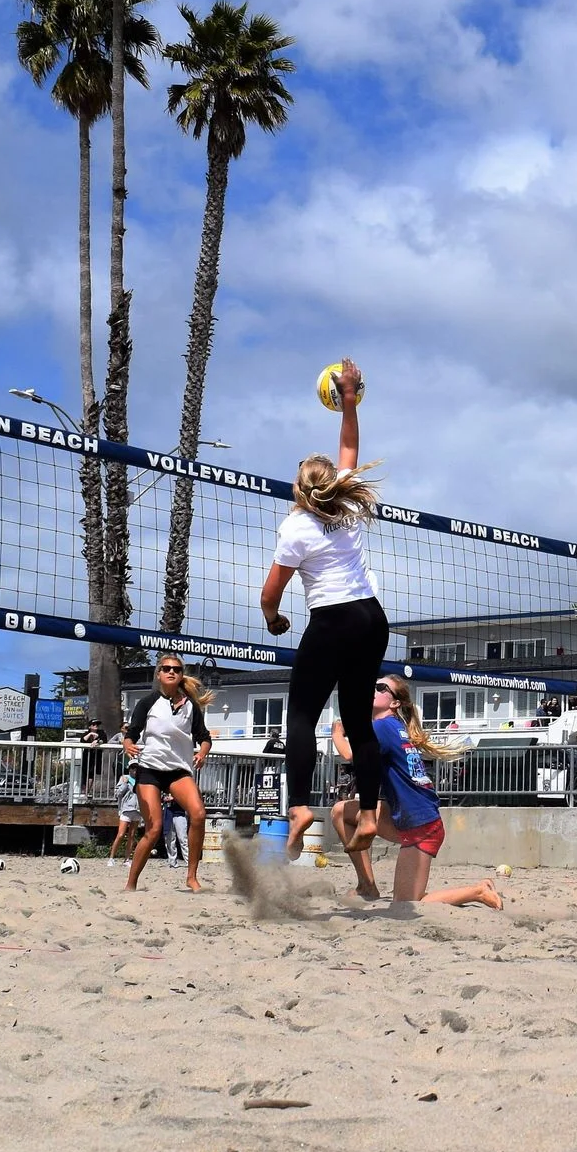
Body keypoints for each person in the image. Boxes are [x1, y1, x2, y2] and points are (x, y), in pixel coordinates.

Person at [259, 358, 394, 860]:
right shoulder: (351, 504)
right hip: (371, 619)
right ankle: (372, 813)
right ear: (332, 483)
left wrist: (273, 621)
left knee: (301, 716)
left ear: (299, 489)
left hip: (332, 620)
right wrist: (350, 401)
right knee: (358, 721)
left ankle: (297, 807)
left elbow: (271, 594)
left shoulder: (296, 527)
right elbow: (351, 447)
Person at [333, 676, 501, 908]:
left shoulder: (383, 726)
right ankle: (367, 885)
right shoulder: (393, 726)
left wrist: (337, 734)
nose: (373, 689)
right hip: (407, 815)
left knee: (405, 903)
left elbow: (351, 755)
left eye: (380, 688)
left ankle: (477, 891)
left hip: (421, 825)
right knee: (341, 812)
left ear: (394, 703)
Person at [122, 655, 211, 892]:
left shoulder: (190, 706)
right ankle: (131, 884)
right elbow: (131, 732)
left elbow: (205, 737)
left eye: (176, 669)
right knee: (154, 829)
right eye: (166, 668)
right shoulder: (148, 702)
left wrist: (202, 753)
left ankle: (191, 876)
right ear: (159, 674)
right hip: (150, 769)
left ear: (181, 674)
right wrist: (127, 744)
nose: (171, 672)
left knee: (199, 814)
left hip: (178, 771)